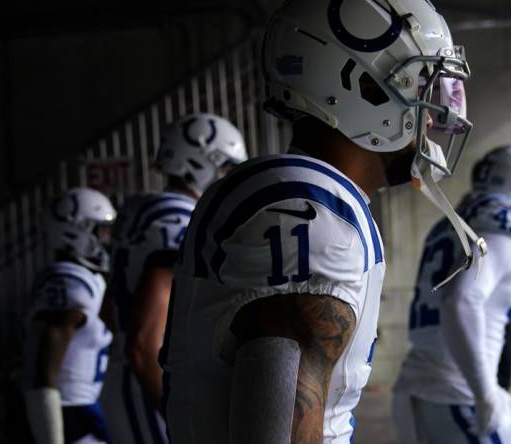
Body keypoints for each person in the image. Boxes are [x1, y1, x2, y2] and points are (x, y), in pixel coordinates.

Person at [159, 0, 482, 442]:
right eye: (420, 86)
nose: (434, 113)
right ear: (362, 87)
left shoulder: (295, 189)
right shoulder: (314, 211)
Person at [393, 145, 511, 444]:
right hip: (457, 393)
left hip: (426, 385)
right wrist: (485, 392)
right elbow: (462, 299)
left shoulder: (453, 219)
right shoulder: (506, 218)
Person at [101, 113, 247, 444]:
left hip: (125, 380)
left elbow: (110, 310)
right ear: (200, 162)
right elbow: (142, 344)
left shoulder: (140, 210)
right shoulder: (178, 219)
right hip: (150, 382)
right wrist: (176, 414)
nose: (226, 178)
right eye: (225, 167)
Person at [21, 187, 117, 444]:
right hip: (70, 412)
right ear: (75, 231)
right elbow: (44, 367)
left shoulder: (88, 278)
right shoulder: (68, 281)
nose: (106, 240)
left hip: (87, 407)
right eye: (100, 231)